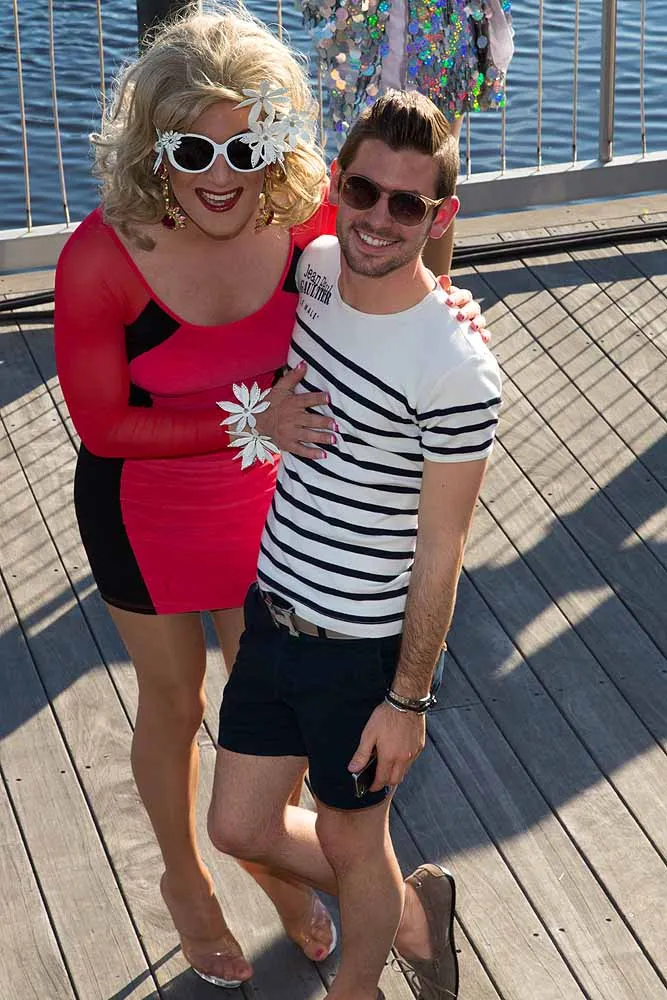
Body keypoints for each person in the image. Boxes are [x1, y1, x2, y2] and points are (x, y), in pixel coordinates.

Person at [53, 5, 486, 990]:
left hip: (271, 512)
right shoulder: (101, 256)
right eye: (191, 149)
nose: (221, 174)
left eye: (245, 147)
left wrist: (442, 303)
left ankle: (283, 877)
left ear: (275, 142)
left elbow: (395, 264)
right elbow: (104, 427)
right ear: (154, 145)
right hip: (144, 513)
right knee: (173, 704)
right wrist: (253, 423)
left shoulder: (309, 217)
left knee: (270, 739)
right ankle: (185, 883)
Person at [208, 89, 502, 1000]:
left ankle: (359, 985)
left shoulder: (456, 368)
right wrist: (264, 417)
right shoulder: (316, 269)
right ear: (336, 183)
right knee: (239, 827)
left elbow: (443, 547)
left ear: (440, 217)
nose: (378, 218)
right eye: (364, 191)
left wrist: (407, 701)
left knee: (349, 839)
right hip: (272, 614)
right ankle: (411, 911)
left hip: (359, 651)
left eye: (407, 205)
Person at [300, 0, 514, 275]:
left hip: (441, 30)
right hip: (368, 27)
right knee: (359, 171)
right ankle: (351, 285)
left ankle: (435, 291)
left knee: (437, 177)